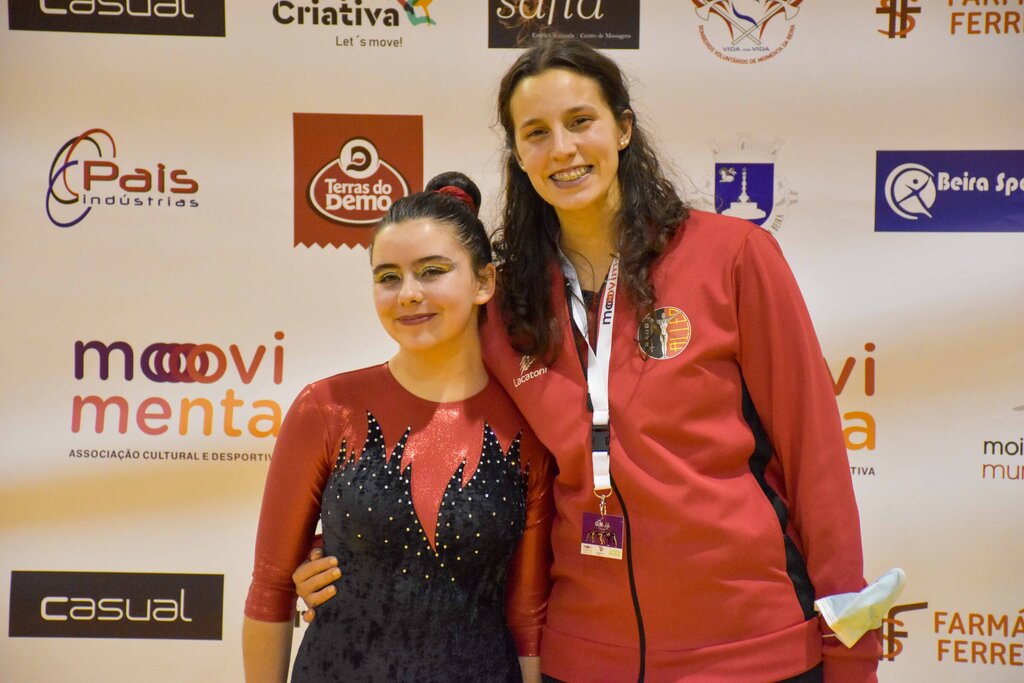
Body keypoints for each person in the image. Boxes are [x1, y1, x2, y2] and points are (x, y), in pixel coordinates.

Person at [293, 38, 882, 682]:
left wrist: (850, 651)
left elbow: (815, 457)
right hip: (582, 657)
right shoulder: (505, 302)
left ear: (623, 128)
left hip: (751, 650)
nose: (563, 149)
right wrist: (357, 546)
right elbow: (447, 430)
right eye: (536, 133)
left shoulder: (733, 255)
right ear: (518, 154)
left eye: (581, 121)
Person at [242, 172, 554, 683]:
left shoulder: (529, 427)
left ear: (483, 282)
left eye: (432, 271)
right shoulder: (326, 409)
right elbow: (270, 589)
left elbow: (528, 619)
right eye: (388, 276)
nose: (408, 293)